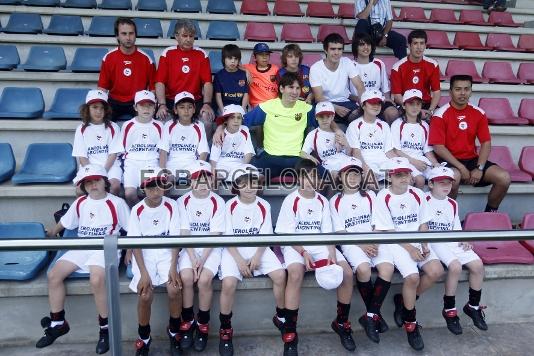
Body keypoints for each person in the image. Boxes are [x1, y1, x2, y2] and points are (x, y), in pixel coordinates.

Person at [36, 164, 129, 354]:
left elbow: (131, 229)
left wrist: (128, 250)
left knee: (96, 280)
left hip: (105, 247)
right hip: (83, 246)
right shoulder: (80, 203)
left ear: (105, 182)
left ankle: (105, 329)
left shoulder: (116, 203)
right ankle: (58, 322)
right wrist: (52, 232)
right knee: (54, 275)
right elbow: (65, 222)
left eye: (96, 181)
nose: (93, 185)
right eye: (88, 182)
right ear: (84, 186)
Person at [275, 159, 354, 355]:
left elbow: (327, 233)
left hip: (319, 244)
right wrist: (303, 252)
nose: (310, 181)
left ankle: (342, 323)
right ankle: (291, 334)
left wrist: (332, 255)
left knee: (347, 273)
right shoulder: (291, 200)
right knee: (295, 274)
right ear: (298, 179)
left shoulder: (322, 201)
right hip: (295, 245)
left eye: (314, 177)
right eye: (306, 177)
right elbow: (286, 235)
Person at [373, 157, 444, 351]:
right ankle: (410, 324)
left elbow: (423, 222)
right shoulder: (383, 196)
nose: (404, 178)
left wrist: (424, 244)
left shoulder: (417, 194)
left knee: (436, 271)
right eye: (399, 174)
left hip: (417, 241)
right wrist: (411, 248)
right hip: (397, 243)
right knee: (412, 278)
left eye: (407, 173)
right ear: (390, 176)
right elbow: (388, 231)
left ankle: (404, 303)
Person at [218, 168, 286, 356]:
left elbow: (265, 235)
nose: (249, 187)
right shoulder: (229, 205)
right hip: (234, 250)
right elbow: (227, 238)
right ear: (236, 186)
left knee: (280, 275)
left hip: (259, 248)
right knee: (229, 283)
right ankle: (225, 329)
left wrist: (257, 257)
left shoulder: (264, 204)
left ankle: (281, 316)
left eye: (253, 183)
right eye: (243, 183)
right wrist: (240, 261)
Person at [330, 162, 394, 344]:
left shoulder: (371, 196)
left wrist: (372, 241)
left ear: (361, 177)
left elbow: (378, 223)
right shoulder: (334, 200)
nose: (352, 177)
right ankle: (374, 315)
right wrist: (363, 244)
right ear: (340, 177)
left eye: (356, 174)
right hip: (353, 244)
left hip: (374, 239)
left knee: (387, 268)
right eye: (348, 174)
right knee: (364, 269)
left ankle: (370, 315)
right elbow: (341, 232)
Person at [428, 74, 511, 212]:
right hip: (447, 161)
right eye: (458, 89)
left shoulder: (478, 113)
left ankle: (489, 215)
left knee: (504, 178)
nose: (462, 93)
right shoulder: (440, 114)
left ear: (471, 91)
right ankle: (447, 216)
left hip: (471, 160)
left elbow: (486, 142)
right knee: (454, 177)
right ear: (450, 92)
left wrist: (479, 168)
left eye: (466, 89)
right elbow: (438, 147)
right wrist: (461, 168)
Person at [213, 72, 317, 180]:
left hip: (297, 158)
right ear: (281, 89)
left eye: (297, 88)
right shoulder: (267, 107)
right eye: (291, 87)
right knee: (251, 179)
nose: (295, 92)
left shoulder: (307, 109)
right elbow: (240, 121)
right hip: (270, 157)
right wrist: (220, 128)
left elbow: (324, 122)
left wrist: (336, 131)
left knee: (321, 177)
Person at [128, 171, 186, 356]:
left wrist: (172, 268)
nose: (155, 191)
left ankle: (174, 332)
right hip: (145, 255)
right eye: (150, 187)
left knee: (175, 289)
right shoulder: (137, 209)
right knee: (145, 294)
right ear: (143, 189)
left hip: (166, 253)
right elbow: (135, 244)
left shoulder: (172, 206)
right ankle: (144, 338)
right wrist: (144, 273)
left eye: (159, 185)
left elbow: (175, 239)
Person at [425, 166, 487, 335]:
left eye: (449, 183)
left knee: (478, 265)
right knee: (455, 267)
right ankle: (449, 309)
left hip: (452, 241)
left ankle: (473, 306)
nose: (446, 186)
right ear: (430, 184)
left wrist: (463, 239)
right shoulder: (424, 200)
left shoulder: (452, 203)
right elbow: (422, 228)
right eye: (441, 183)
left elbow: (456, 228)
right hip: (435, 242)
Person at [177, 163, 225, 352]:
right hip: (190, 249)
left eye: (206, 179)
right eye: (197, 179)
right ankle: (188, 323)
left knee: (204, 279)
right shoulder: (183, 201)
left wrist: (202, 261)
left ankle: (203, 326)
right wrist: (193, 257)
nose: (202, 183)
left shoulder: (217, 201)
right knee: (187, 278)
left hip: (210, 251)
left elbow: (215, 235)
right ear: (191, 181)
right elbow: (184, 231)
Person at [155, 20, 215, 137]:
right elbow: (160, 82)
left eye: (191, 36)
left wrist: (207, 103)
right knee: (161, 121)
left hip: (195, 101)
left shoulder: (201, 54)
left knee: (207, 121)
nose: (188, 39)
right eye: (184, 36)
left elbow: (207, 83)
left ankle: (203, 152)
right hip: (172, 101)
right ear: (176, 36)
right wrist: (162, 105)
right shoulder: (167, 53)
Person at [97, 17, 155, 121]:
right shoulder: (109, 58)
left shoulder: (146, 59)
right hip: (114, 101)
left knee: (147, 122)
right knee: (100, 120)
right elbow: (102, 88)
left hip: (138, 101)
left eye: (131, 33)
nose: (128, 37)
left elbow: (152, 89)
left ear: (135, 35)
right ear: (117, 36)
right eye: (124, 34)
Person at [72, 89, 122, 196]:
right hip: (89, 167)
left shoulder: (113, 127)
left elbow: (113, 154)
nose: (99, 111)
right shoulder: (81, 129)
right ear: (87, 109)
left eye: (102, 108)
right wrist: (93, 175)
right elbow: (82, 157)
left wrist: (102, 174)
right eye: (94, 107)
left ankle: (110, 211)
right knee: (80, 190)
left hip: (110, 167)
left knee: (114, 187)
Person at [310, 33, 365, 126]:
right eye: (333, 49)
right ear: (325, 50)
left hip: (345, 102)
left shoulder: (347, 62)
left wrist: (363, 104)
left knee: (363, 117)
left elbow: (360, 86)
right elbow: (319, 97)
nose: (336, 53)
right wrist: (334, 107)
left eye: (339, 49)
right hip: (325, 103)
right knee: (321, 119)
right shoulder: (316, 68)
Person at [120, 90, 163, 207]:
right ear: (135, 107)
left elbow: (162, 151)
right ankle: (139, 215)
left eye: (150, 105)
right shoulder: (128, 125)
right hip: (132, 164)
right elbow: (122, 150)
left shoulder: (159, 126)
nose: (146, 109)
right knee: (129, 194)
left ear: (155, 107)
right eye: (142, 105)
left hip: (152, 163)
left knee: (154, 193)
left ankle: (151, 215)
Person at [390, 89, 440, 188]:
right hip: (404, 160)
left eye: (418, 104)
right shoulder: (397, 124)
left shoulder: (425, 125)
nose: (415, 107)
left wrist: (435, 163)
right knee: (420, 180)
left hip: (421, 160)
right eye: (411, 104)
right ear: (404, 106)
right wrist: (414, 162)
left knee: (439, 177)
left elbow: (427, 151)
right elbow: (396, 150)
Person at [346, 89, 396, 183]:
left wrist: (402, 166)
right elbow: (356, 153)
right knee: (371, 183)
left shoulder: (384, 125)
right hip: (365, 163)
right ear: (363, 105)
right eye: (372, 103)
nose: (376, 106)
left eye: (378, 103)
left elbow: (389, 152)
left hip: (384, 164)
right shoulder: (354, 125)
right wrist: (366, 168)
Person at [158, 91, 210, 182]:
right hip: (172, 164)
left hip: (192, 164)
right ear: (175, 110)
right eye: (182, 107)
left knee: (202, 180)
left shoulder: (199, 125)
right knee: (165, 183)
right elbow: (163, 151)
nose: (186, 111)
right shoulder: (169, 125)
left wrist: (196, 170)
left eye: (189, 107)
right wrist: (164, 172)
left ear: (194, 110)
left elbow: (203, 152)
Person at [391, 30, 441, 120]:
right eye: (415, 43)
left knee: (439, 117)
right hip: (406, 104)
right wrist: (413, 110)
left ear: (425, 45)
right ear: (409, 46)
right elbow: (397, 95)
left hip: (425, 104)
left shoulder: (433, 65)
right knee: (393, 115)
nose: (419, 47)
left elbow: (436, 92)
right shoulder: (397, 67)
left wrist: (431, 110)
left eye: (422, 43)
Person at [300, 101, 357, 178]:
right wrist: (310, 157)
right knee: (334, 174)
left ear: (332, 117)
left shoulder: (339, 133)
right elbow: (302, 153)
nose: (325, 120)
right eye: (321, 117)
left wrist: (346, 144)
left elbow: (349, 154)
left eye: (328, 116)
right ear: (316, 117)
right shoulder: (313, 134)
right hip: (329, 167)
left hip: (345, 163)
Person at [350, 32, 399, 123]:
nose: (366, 47)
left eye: (368, 44)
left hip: (378, 100)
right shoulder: (350, 65)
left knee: (392, 113)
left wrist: (387, 99)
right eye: (362, 44)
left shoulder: (379, 63)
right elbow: (348, 94)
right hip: (358, 102)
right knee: (354, 116)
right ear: (356, 47)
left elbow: (385, 89)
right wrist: (362, 100)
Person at [210, 105, 255, 181]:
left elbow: (248, 152)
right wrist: (213, 171)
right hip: (222, 165)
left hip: (239, 165)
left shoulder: (245, 130)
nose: (236, 120)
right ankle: (214, 192)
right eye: (232, 117)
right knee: (215, 178)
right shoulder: (220, 134)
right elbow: (214, 157)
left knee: (253, 175)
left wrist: (243, 167)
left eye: (239, 118)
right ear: (226, 120)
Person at [213, 44, 249, 114]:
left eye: (236, 59)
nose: (233, 61)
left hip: (239, 107)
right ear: (224, 59)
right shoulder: (219, 75)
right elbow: (218, 96)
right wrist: (222, 110)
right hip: (224, 107)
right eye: (230, 58)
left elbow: (246, 94)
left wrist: (243, 108)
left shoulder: (243, 74)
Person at [243, 43, 280, 108]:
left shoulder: (275, 68)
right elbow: (236, 65)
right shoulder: (249, 68)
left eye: (267, 54)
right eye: (261, 54)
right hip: (257, 105)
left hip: (273, 104)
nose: (264, 57)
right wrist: (247, 71)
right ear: (255, 57)